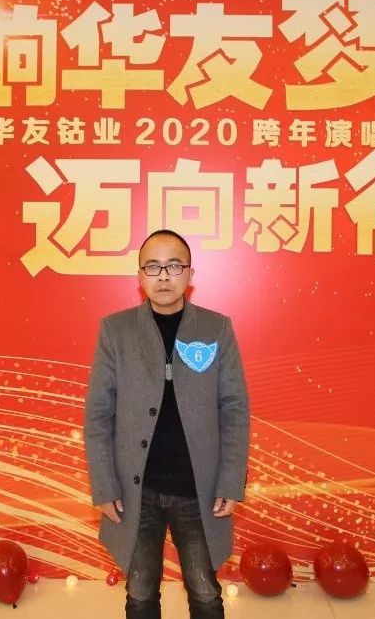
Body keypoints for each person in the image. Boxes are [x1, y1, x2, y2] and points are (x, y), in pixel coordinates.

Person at [84, 229, 250, 619]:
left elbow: (234, 408)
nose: (163, 276)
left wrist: (230, 481)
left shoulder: (215, 328)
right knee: (140, 591)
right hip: (136, 490)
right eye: (153, 267)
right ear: (139, 276)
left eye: (174, 266)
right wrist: (104, 486)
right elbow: (98, 414)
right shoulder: (116, 331)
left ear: (190, 274)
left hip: (198, 489)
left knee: (205, 591)